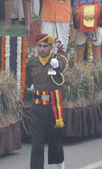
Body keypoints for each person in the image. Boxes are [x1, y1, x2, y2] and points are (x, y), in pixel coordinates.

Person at [26, 34, 68, 169]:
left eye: (45, 46)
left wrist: (57, 66)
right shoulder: (32, 62)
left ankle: (60, 166)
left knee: (55, 140)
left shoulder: (56, 60)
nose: (42, 49)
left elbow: (65, 65)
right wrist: (29, 86)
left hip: (53, 107)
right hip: (37, 107)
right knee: (37, 144)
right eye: (40, 46)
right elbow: (27, 79)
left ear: (51, 47)